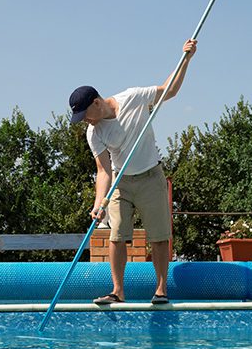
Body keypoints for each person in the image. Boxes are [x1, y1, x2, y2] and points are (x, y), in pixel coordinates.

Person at [68, 39, 197, 305]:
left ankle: (161, 290)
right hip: (121, 183)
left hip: (151, 176)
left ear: (96, 102)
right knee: (116, 237)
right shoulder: (94, 132)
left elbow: (168, 91)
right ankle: (117, 291)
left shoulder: (131, 98)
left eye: (86, 115)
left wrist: (185, 59)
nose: (86, 121)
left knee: (159, 237)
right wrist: (98, 203)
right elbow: (103, 170)